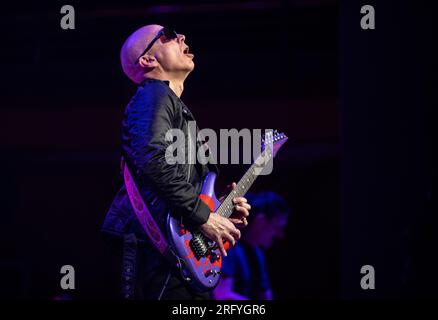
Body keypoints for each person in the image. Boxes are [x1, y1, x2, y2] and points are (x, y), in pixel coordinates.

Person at [101, 24, 251, 300]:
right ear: (147, 60)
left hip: (174, 251)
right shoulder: (153, 94)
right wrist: (203, 216)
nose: (182, 36)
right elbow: (152, 159)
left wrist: (219, 207)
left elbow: (171, 179)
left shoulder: (168, 104)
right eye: (168, 35)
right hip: (153, 247)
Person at [212, 191, 290, 300]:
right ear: (260, 221)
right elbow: (221, 295)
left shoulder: (258, 253)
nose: (280, 235)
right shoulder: (229, 245)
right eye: (276, 228)